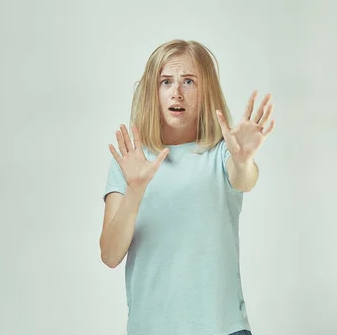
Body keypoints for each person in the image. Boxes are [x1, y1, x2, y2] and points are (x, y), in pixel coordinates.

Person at [99, 39, 275, 335]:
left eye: (189, 81)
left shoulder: (221, 155)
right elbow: (110, 254)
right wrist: (136, 188)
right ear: (152, 92)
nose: (176, 92)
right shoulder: (130, 162)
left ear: (206, 92)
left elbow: (244, 178)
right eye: (165, 81)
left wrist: (243, 159)